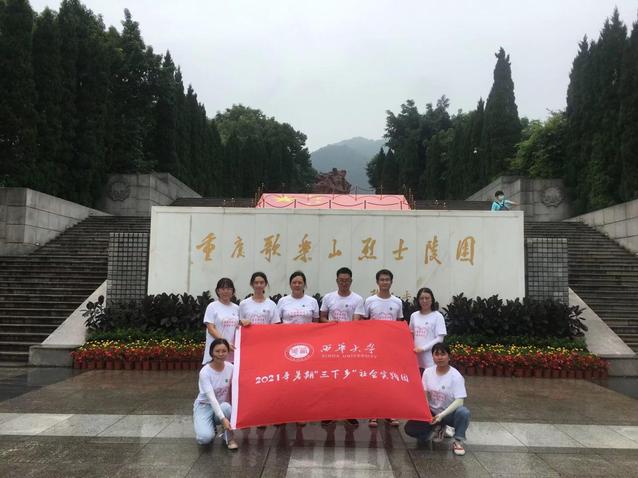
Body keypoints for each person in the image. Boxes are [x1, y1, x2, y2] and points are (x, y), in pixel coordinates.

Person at [404, 343, 470, 456]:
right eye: (436, 354)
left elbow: (460, 401)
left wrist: (441, 415)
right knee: (410, 429)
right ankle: (434, 430)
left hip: (448, 413)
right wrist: (426, 413)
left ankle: (458, 441)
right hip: (432, 412)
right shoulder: (427, 372)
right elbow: (424, 393)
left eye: (443, 354)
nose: (440, 357)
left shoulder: (456, 376)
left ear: (449, 356)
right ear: (433, 357)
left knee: (463, 412)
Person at [320, 267, 365, 426]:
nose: (344, 283)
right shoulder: (328, 297)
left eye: (347, 280)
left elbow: (356, 321)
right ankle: (329, 411)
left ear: (351, 281)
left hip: (349, 345)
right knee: (331, 379)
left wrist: (347, 330)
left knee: (348, 379)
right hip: (331, 344)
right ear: (337, 281)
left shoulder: (357, 299)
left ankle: (349, 411)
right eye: (341, 280)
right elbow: (322, 318)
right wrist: (329, 323)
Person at [362, 269, 403, 427]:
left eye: (387, 280)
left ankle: (390, 413)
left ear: (391, 282)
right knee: (374, 380)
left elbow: (400, 324)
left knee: (390, 380)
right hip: (373, 348)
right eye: (382, 279)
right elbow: (364, 323)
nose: (385, 282)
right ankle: (373, 414)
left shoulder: (397, 302)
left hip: (390, 348)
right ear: (377, 282)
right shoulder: (370, 301)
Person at [193, 338, 238, 449]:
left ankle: (229, 437)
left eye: (224, 351)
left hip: (222, 405)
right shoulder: (205, 372)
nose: (221, 354)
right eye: (217, 351)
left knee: (227, 407)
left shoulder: (231, 368)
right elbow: (212, 399)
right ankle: (211, 424)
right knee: (204, 439)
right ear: (211, 352)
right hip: (205, 406)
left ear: (228, 352)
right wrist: (223, 419)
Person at [203, 278, 250, 364]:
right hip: (216, 352)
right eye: (222, 289)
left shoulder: (236, 308)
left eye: (228, 289)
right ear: (218, 291)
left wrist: (246, 323)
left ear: (233, 291)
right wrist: (225, 343)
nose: (225, 291)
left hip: (232, 352)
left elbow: (238, 327)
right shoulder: (212, 306)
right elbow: (211, 329)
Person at [410, 287, 447, 374]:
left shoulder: (438, 316)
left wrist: (423, 349)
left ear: (432, 300)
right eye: (421, 298)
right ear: (418, 300)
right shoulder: (414, 316)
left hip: (430, 360)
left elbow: (440, 339)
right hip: (415, 359)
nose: (424, 301)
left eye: (427, 298)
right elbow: (410, 335)